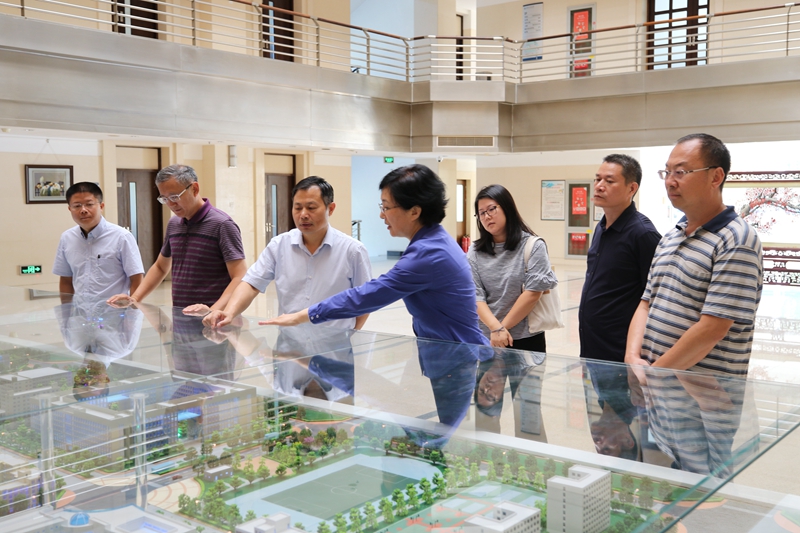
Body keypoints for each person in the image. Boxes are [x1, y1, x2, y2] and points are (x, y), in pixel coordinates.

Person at [625, 133, 763, 476]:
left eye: (682, 172)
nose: (670, 181)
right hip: (660, 388)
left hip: (703, 398)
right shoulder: (671, 236)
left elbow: (713, 327)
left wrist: (655, 374)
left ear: (716, 176)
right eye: (667, 172)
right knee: (667, 481)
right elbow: (646, 302)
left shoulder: (737, 239)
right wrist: (632, 356)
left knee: (704, 485)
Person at [260, 164, 488, 347]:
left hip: (460, 357)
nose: (381, 215)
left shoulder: (429, 253)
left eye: (386, 207)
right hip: (451, 354)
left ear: (414, 211)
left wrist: (304, 315)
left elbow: (369, 295)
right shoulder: (433, 241)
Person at [204, 176, 372, 330]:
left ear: (331, 208)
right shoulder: (279, 245)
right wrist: (229, 312)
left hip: (335, 346)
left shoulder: (352, 250)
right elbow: (251, 283)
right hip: (289, 345)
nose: (303, 215)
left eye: (311, 208)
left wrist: (351, 335)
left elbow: (365, 301)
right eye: (297, 208)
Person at [107, 164, 247, 312]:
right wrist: (135, 298)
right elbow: (161, 267)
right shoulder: (174, 224)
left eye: (175, 197)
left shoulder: (222, 225)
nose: (171, 204)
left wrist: (212, 311)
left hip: (215, 318)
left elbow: (240, 276)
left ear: (194, 189)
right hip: (182, 315)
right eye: (164, 198)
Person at [579, 155, 661, 363]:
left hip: (621, 349)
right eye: (597, 179)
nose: (599, 186)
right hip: (593, 344)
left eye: (609, 181)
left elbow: (654, 297)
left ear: (631, 188)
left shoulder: (643, 234)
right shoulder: (602, 226)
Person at [467, 184, 558, 352]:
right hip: (488, 338)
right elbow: (475, 294)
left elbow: (533, 293)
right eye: (481, 213)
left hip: (527, 337)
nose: (487, 216)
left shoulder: (534, 246)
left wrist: (501, 329)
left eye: (491, 209)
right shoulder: (475, 251)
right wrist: (495, 329)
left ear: (507, 208)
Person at [53, 182, 144, 303]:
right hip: (80, 312)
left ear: (101, 206)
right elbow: (65, 280)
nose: (83, 210)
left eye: (89, 204)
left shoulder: (122, 237)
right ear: (70, 209)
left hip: (115, 311)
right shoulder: (67, 238)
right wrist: (66, 312)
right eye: (77, 206)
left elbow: (136, 278)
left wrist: (133, 308)